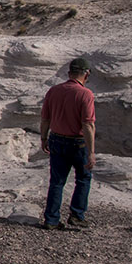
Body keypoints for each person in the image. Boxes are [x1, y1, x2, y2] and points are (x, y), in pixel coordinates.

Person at [40, 57, 96, 230]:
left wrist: (44, 138)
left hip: (56, 139)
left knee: (57, 181)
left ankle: (51, 219)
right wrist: (92, 151)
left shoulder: (54, 91)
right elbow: (87, 124)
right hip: (78, 143)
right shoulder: (85, 94)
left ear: (69, 72)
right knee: (83, 179)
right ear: (86, 74)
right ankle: (77, 215)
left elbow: (45, 118)